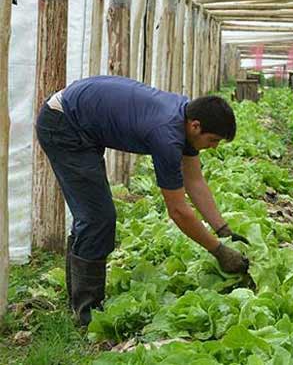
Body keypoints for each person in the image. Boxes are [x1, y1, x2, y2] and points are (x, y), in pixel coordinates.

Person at [35, 76, 250, 325]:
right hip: (63, 124)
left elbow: (195, 182)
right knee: (98, 218)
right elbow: (178, 211)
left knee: (92, 214)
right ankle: (86, 313)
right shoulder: (166, 136)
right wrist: (219, 251)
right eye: (212, 140)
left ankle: (78, 301)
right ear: (196, 126)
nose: (213, 147)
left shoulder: (184, 118)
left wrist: (223, 229)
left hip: (80, 120)